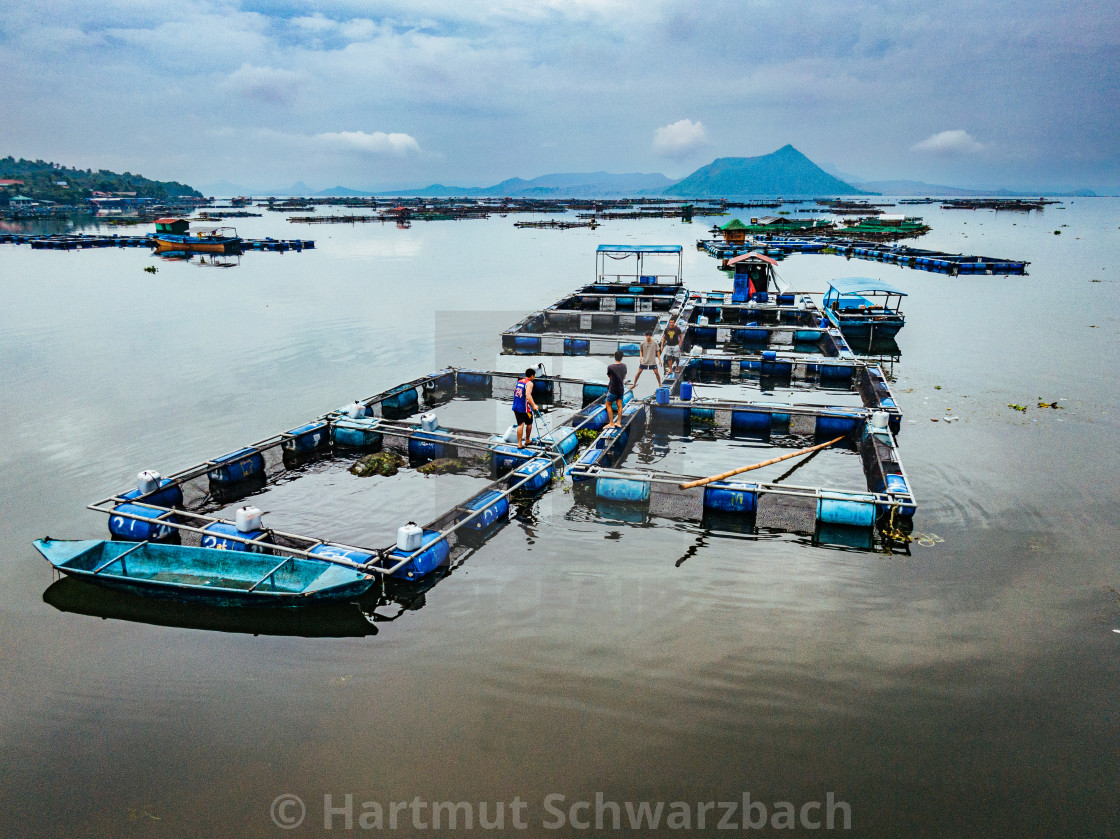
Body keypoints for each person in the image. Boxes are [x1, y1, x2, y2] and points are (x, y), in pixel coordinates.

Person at [511, 367, 538, 448]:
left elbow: (514, 391)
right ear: (532, 376)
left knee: (520, 424)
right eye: (534, 376)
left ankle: (519, 444)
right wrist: (534, 405)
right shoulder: (529, 383)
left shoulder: (519, 381)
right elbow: (528, 395)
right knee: (529, 423)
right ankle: (527, 440)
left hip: (516, 406)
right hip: (524, 408)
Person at [605, 351, 627, 428]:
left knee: (608, 404)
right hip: (621, 389)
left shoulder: (610, 367)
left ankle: (611, 423)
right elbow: (624, 377)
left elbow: (610, 377)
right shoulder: (624, 366)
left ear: (614, 357)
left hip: (613, 389)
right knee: (619, 405)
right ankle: (618, 422)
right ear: (622, 357)